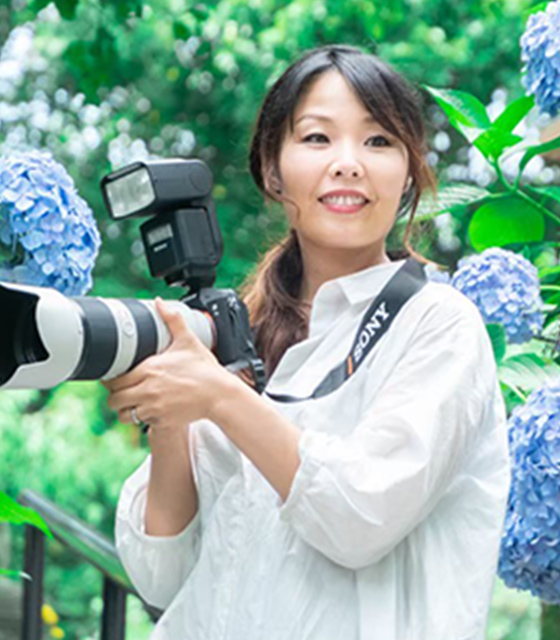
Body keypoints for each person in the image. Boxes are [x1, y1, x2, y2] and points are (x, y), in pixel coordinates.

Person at [107, 44, 511, 640]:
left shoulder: (438, 325)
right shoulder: (236, 334)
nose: (348, 163)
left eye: (378, 142)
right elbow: (160, 576)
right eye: (318, 138)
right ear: (273, 170)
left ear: (408, 174)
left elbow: (361, 516)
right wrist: (173, 414)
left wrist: (218, 397)